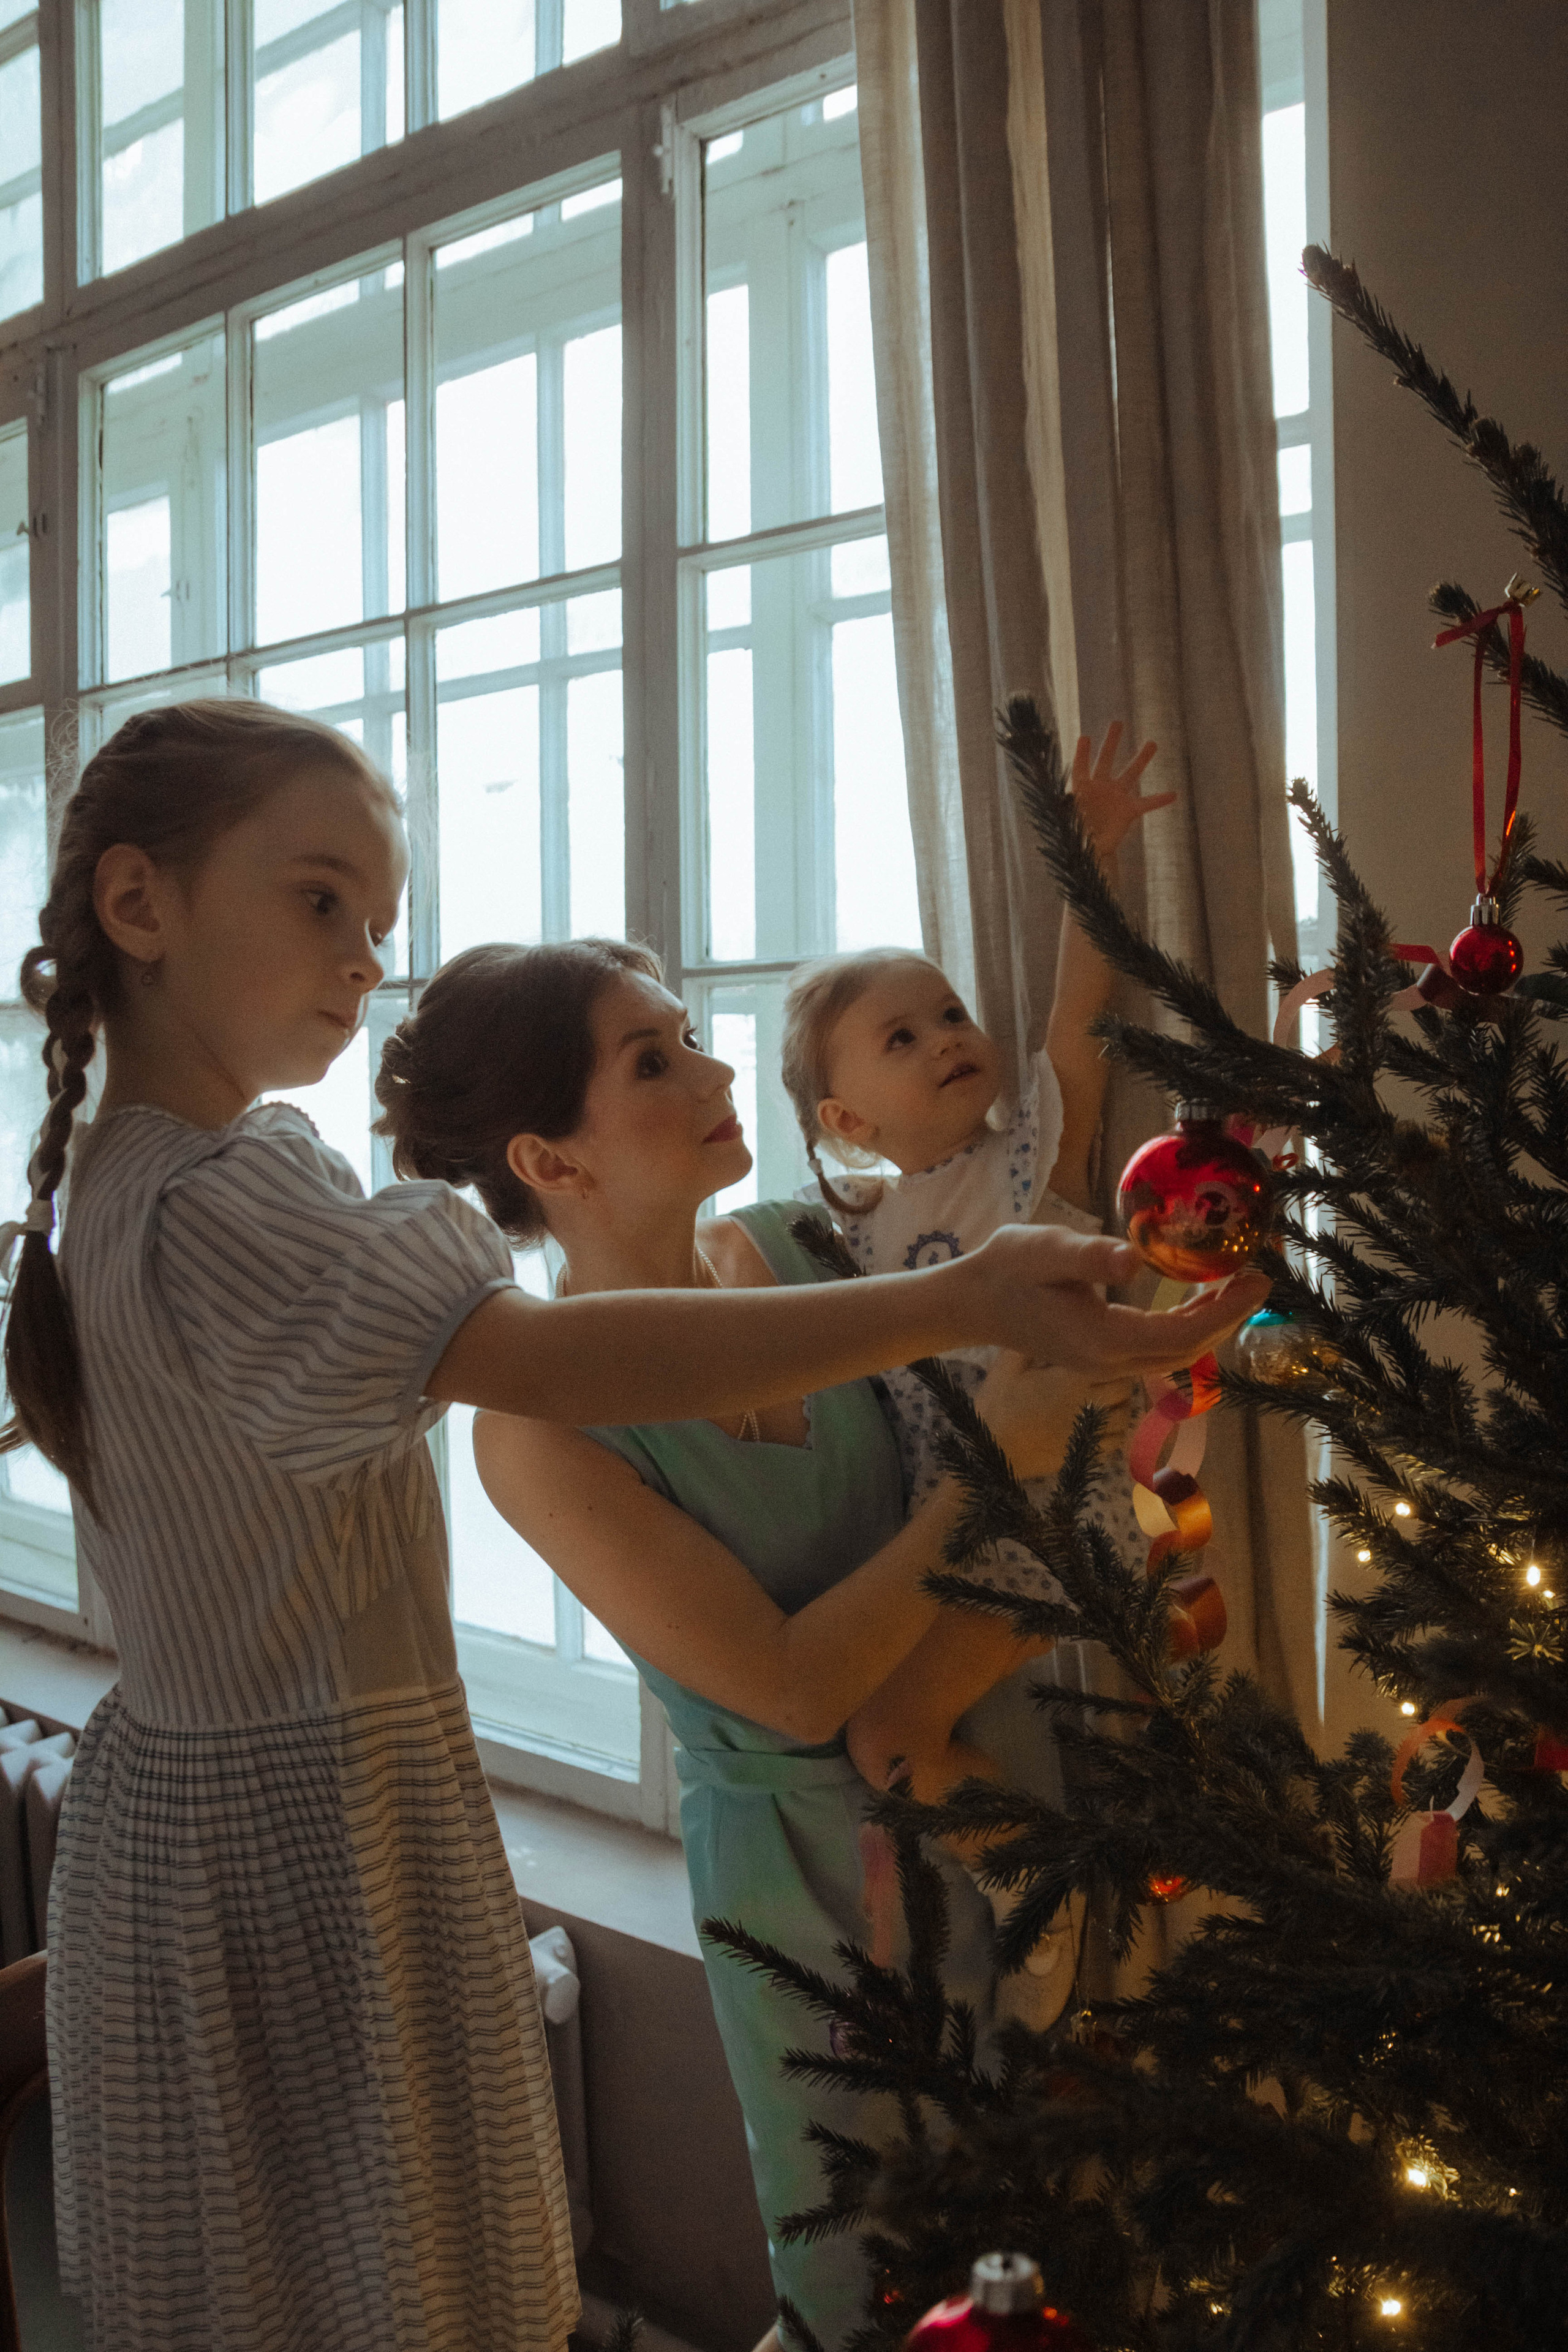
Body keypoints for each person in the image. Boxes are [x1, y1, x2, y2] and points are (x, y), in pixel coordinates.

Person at [6, 701, 1252, 2352]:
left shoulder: (171, 1181)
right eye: (320, 902)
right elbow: (535, 1360)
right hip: (306, 1849)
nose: (363, 956)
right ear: (137, 904)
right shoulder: (218, 1198)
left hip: (269, 1830)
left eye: (378, 924)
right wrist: (960, 1297)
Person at [373, 935, 1263, 2352]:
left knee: (1059, 2206)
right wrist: (997, 1465)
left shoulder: (798, 1248)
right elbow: (791, 1686)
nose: (722, 1071)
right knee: (875, 2267)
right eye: (653, 1061)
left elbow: (1010, 1212)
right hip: (813, 1893)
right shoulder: (534, 1436)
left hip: (989, 1764)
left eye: (690, 1035)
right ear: (550, 1162)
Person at [781, 722, 1178, 2026]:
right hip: (963, 1531)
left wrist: (1089, 850)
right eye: (898, 1040)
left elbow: (1078, 1013)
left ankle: (1037, 1881)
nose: (947, 1036)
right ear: (848, 1124)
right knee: (887, 1734)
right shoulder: (850, 1236)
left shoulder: (1025, 1163)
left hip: (1046, 1525)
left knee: (882, 1739)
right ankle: (1035, 1872)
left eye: (946, 1012)